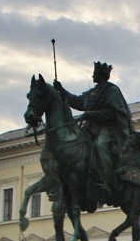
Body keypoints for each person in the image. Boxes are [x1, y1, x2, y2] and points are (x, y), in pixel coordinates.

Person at [53, 61, 133, 205]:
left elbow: (115, 113)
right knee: (79, 146)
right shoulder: (94, 92)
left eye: (95, 73)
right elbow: (78, 102)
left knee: (99, 145)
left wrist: (91, 114)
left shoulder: (111, 90)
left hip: (110, 128)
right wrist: (62, 91)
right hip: (92, 128)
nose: (92, 75)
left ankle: (106, 181)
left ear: (101, 75)